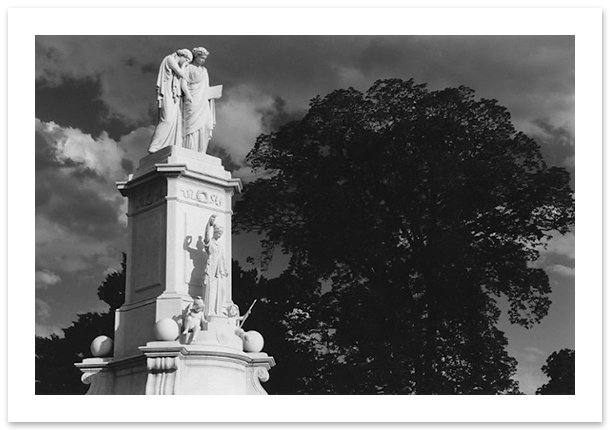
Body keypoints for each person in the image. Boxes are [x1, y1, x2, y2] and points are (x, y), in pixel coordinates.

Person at [147, 49, 193, 153]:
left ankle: (168, 144)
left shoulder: (173, 61)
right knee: (166, 120)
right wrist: (185, 65)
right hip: (167, 92)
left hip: (173, 94)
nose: (187, 63)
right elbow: (182, 74)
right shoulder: (170, 59)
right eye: (187, 60)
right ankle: (155, 145)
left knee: (173, 120)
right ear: (182, 56)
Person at [182, 47, 222, 153]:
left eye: (205, 59)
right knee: (191, 126)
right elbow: (183, 83)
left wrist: (213, 93)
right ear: (196, 56)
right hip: (192, 99)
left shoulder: (204, 71)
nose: (203, 61)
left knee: (206, 125)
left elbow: (205, 87)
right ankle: (189, 149)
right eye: (202, 58)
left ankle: (200, 151)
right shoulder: (188, 68)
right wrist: (187, 95)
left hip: (203, 100)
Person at [203, 214, 228, 318]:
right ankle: (209, 311)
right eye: (218, 233)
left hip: (219, 270)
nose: (219, 235)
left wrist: (225, 269)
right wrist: (209, 224)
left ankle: (218, 310)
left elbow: (222, 258)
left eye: (221, 234)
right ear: (215, 232)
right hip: (211, 268)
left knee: (220, 290)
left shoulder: (220, 245)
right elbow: (206, 236)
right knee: (210, 289)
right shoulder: (210, 242)